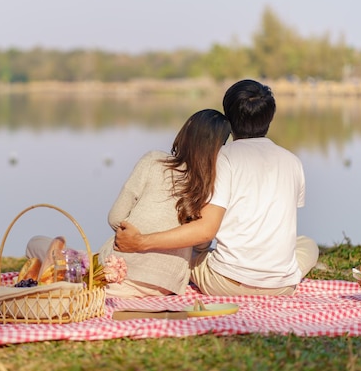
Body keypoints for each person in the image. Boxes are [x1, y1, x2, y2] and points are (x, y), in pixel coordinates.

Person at [115, 79, 319, 297]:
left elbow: (206, 230)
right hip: (281, 286)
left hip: (226, 283)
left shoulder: (223, 159)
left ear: (228, 119)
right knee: (309, 245)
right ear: (270, 117)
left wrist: (141, 243)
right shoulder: (293, 161)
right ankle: (276, 276)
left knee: (191, 251)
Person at [26, 109, 231, 298]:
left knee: (35, 244)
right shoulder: (211, 184)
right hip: (165, 285)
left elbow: (115, 217)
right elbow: (201, 243)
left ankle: (62, 277)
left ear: (185, 134)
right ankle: (64, 274)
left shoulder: (154, 161)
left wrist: (136, 234)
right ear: (219, 149)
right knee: (76, 263)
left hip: (120, 270)